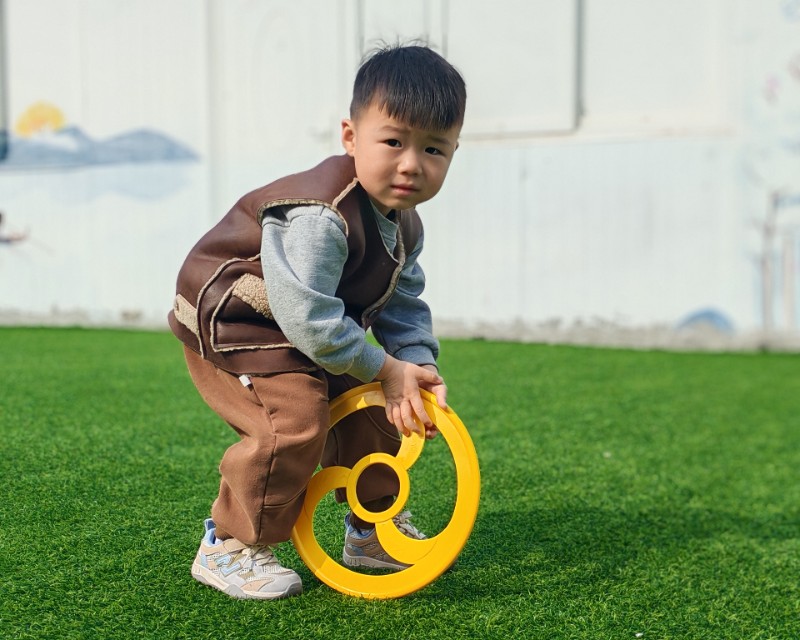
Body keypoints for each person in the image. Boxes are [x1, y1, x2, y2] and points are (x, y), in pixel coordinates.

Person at [168, 43, 466, 600]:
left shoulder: (406, 223)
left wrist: (414, 366)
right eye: (394, 141)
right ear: (351, 137)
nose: (412, 164)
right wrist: (384, 366)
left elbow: (402, 302)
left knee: (374, 407)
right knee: (294, 421)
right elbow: (305, 317)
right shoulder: (320, 216)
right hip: (240, 324)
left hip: (311, 327)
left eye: (434, 149)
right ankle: (228, 545)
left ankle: (371, 528)